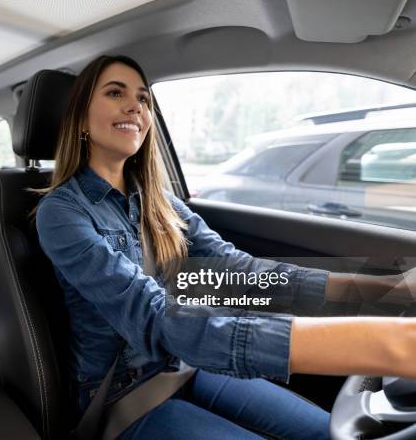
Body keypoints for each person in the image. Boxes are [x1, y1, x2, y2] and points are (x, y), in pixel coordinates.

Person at [34, 55, 416, 439]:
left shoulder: (159, 200)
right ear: (81, 117)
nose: (136, 106)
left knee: (325, 432)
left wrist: (382, 288)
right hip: (124, 393)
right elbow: (155, 317)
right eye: (115, 92)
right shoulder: (61, 212)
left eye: (144, 98)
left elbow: (238, 272)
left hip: (184, 365)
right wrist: (387, 344)